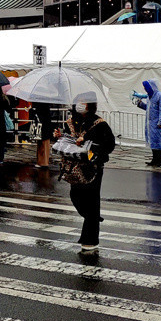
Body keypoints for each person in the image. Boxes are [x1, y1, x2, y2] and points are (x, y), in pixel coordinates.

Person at [54, 93, 115, 255]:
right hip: (74, 167)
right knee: (76, 197)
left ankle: (90, 241)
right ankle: (93, 218)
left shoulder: (99, 124)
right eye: (78, 102)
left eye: (84, 103)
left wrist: (88, 144)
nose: (80, 105)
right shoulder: (71, 122)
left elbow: (109, 145)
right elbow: (68, 139)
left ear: (90, 105)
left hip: (93, 167)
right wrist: (61, 137)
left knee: (92, 200)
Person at [134, 79, 161, 166]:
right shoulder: (149, 97)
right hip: (150, 123)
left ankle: (160, 161)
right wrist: (140, 104)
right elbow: (149, 108)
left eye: (146, 87)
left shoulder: (160, 96)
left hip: (157, 123)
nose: (145, 89)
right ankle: (154, 160)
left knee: (158, 142)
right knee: (152, 142)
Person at [30, 102, 54, 168]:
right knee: (42, 142)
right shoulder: (44, 102)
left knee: (43, 143)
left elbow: (40, 112)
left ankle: (43, 162)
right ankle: (42, 161)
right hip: (44, 123)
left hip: (42, 123)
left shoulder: (40, 103)